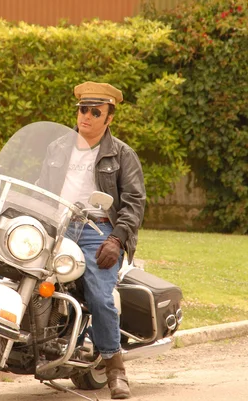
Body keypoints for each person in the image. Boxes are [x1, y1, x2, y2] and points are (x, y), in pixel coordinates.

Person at [40, 82, 146, 399]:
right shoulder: (57, 148)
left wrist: (117, 239)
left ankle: (115, 370)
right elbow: (43, 188)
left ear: (109, 118)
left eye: (94, 111)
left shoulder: (122, 154)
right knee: (12, 271)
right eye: (82, 109)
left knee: (101, 296)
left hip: (96, 228)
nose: (85, 116)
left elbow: (134, 203)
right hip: (56, 225)